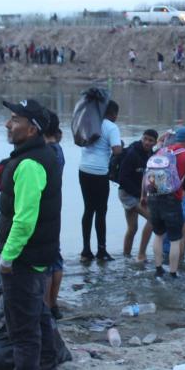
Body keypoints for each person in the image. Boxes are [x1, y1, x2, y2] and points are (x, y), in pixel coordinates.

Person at [0, 99, 62, 370]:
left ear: (32, 128)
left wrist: (8, 257)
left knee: (23, 330)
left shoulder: (30, 164)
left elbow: (25, 217)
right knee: (39, 315)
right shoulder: (39, 156)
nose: (7, 124)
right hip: (39, 255)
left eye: (14, 119)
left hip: (25, 258)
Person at [144, 126, 185, 278]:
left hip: (154, 198)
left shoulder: (161, 151)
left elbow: (147, 174)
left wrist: (144, 197)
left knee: (159, 235)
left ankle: (159, 269)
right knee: (175, 239)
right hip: (172, 200)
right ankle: (173, 273)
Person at [77, 101, 121, 261]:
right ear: (114, 114)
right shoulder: (111, 127)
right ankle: (101, 250)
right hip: (100, 173)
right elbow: (116, 151)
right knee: (101, 211)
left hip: (83, 170)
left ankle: (85, 251)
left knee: (88, 209)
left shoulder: (91, 122)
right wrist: (119, 146)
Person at [117, 129, 157, 260]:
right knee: (153, 218)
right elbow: (122, 178)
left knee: (132, 228)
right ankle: (141, 254)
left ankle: (126, 256)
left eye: (150, 140)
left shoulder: (150, 153)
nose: (146, 142)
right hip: (127, 194)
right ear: (142, 138)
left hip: (138, 194)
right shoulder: (132, 154)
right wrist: (140, 195)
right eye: (145, 139)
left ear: (154, 143)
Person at [43, 111, 66, 319]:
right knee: (55, 258)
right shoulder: (57, 150)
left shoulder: (47, 153)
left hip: (46, 211)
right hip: (55, 208)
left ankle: (47, 305)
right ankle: (52, 304)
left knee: (48, 260)